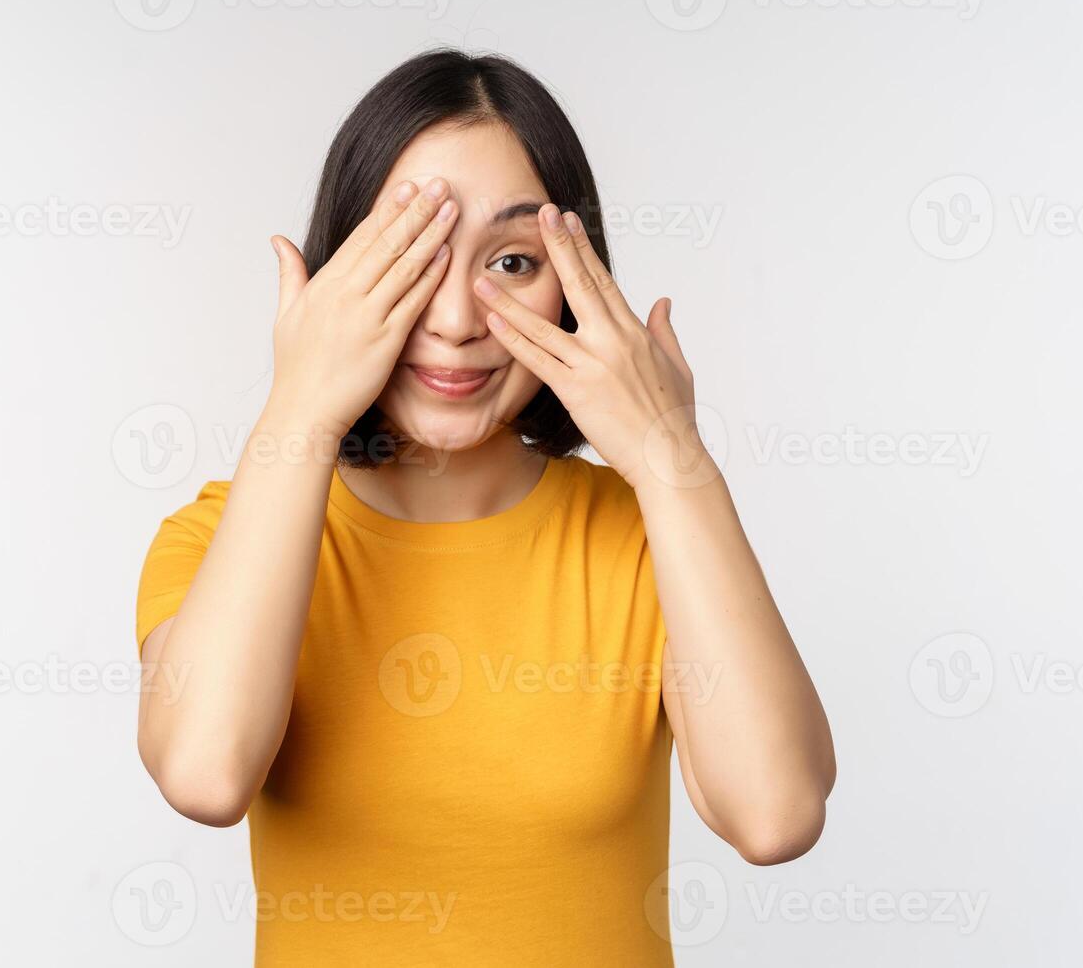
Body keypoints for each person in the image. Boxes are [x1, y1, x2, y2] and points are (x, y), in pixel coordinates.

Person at [134, 48, 836, 966]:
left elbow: (776, 814)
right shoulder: (221, 538)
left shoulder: (642, 537)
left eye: (512, 260)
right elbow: (204, 773)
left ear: (576, 284)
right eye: (413, 256)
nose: (459, 320)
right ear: (341, 268)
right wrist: (300, 406)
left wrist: (672, 460)